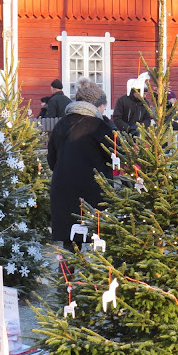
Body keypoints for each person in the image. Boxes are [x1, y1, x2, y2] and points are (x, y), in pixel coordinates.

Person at [47, 78, 115, 253]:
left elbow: (51, 160)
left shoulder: (61, 124)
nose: (103, 111)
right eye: (103, 106)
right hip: (93, 192)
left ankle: (66, 271)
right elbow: (115, 153)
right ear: (95, 105)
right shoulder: (99, 126)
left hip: (63, 191)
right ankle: (95, 271)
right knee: (97, 241)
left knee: (69, 243)